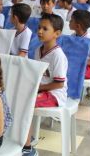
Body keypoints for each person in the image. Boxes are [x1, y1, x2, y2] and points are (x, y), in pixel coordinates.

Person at [23, 14, 68, 156]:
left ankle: (28, 147)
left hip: (55, 95)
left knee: (26, 102)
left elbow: (59, 84)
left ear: (57, 33)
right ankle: (23, 136)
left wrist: (37, 88)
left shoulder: (58, 55)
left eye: (45, 28)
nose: (40, 31)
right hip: (41, 90)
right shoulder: (38, 50)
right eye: (39, 28)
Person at [70, 10, 90, 79]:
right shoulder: (73, 36)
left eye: (71, 20)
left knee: (71, 72)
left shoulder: (89, 40)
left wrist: (81, 63)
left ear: (78, 26)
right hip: (77, 65)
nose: (69, 22)